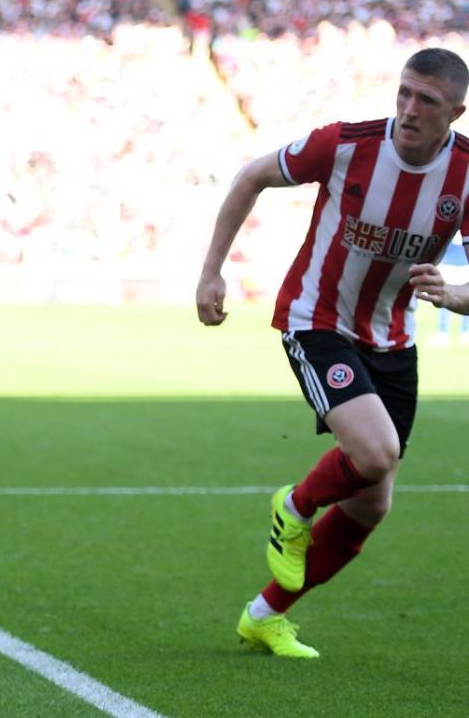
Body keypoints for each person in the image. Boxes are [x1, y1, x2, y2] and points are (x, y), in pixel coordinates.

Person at [195, 48, 469, 658]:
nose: (408, 108)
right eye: (403, 92)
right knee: (375, 453)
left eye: (426, 100)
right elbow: (251, 175)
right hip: (317, 320)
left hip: (392, 338)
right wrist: (211, 272)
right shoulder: (347, 144)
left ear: (456, 109)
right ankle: (292, 507)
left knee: (373, 501)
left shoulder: (467, 174)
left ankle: (265, 615)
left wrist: (454, 294)